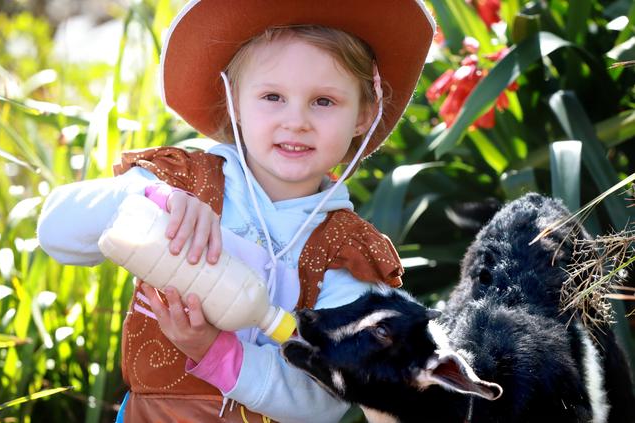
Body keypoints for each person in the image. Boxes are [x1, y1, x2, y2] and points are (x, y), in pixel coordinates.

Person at [37, 1, 435, 421]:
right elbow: (55, 231)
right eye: (272, 97)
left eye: (323, 101)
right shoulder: (183, 184)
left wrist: (215, 352)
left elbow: (322, 402)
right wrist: (152, 202)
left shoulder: (344, 254)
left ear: (364, 115)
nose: (296, 120)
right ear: (234, 102)